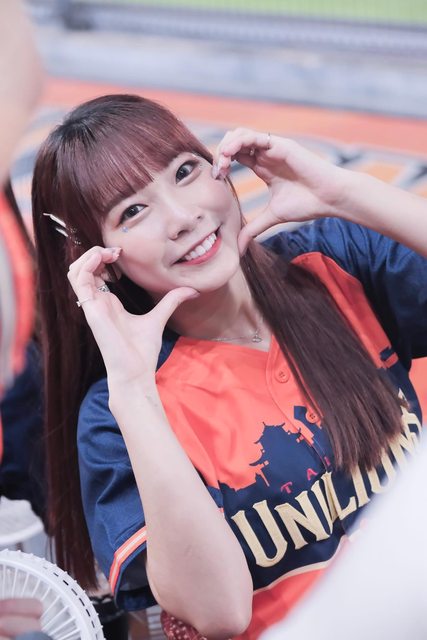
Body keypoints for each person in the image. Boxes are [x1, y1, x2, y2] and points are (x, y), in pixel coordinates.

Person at [31, 93, 427, 640]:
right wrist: (134, 389)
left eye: (185, 171)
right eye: (132, 212)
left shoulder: (333, 261)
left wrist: (344, 193)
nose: (182, 217)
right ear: (101, 260)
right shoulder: (118, 415)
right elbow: (220, 612)